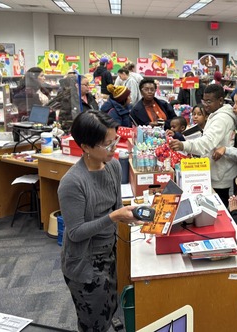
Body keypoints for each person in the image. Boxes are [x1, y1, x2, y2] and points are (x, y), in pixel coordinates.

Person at [58, 111, 142, 331]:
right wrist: (114, 217)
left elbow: (116, 207)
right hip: (84, 262)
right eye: (107, 144)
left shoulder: (112, 166)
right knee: (91, 320)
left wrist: (131, 217)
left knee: (109, 303)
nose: (114, 148)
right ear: (85, 147)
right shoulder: (73, 183)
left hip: (108, 252)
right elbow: (75, 233)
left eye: (115, 140)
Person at [169, 84, 237, 206]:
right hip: (216, 171)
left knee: (219, 208)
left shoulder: (221, 119)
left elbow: (207, 142)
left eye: (209, 101)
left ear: (220, 100)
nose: (205, 105)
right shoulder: (215, 114)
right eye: (204, 101)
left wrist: (183, 145)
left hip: (220, 175)